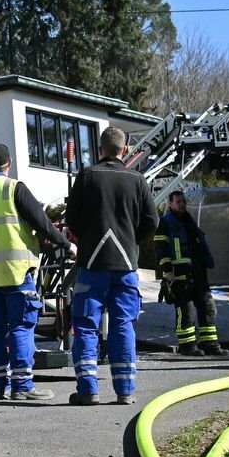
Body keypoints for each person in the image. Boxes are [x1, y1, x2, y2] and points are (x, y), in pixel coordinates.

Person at [0, 143, 72, 401]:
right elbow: (41, 222)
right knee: (21, 326)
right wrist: (66, 245)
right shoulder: (14, 188)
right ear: (9, 163)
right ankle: (22, 385)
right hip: (17, 270)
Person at [62, 125, 158, 406]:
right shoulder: (137, 179)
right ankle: (125, 390)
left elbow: (72, 219)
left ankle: (88, 390)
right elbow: (152, 221)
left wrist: (88, 239)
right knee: (123, 324)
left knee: (85, 326)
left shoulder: (87, 176)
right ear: (125, 150)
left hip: (92, 263)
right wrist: (131, 242)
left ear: (99, 149)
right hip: (126, 265)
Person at [155, 189, 225, 356]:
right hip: (179, 274)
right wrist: (167, 270)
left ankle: (210, 343)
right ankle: (187, 346)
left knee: (207, 306)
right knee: (186, 310)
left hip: (197, 271)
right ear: (170, 204)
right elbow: (160, 247)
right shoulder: (165, 222)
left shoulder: (188, 221)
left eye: (183, 201)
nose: (182, 205)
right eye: (178, 202)